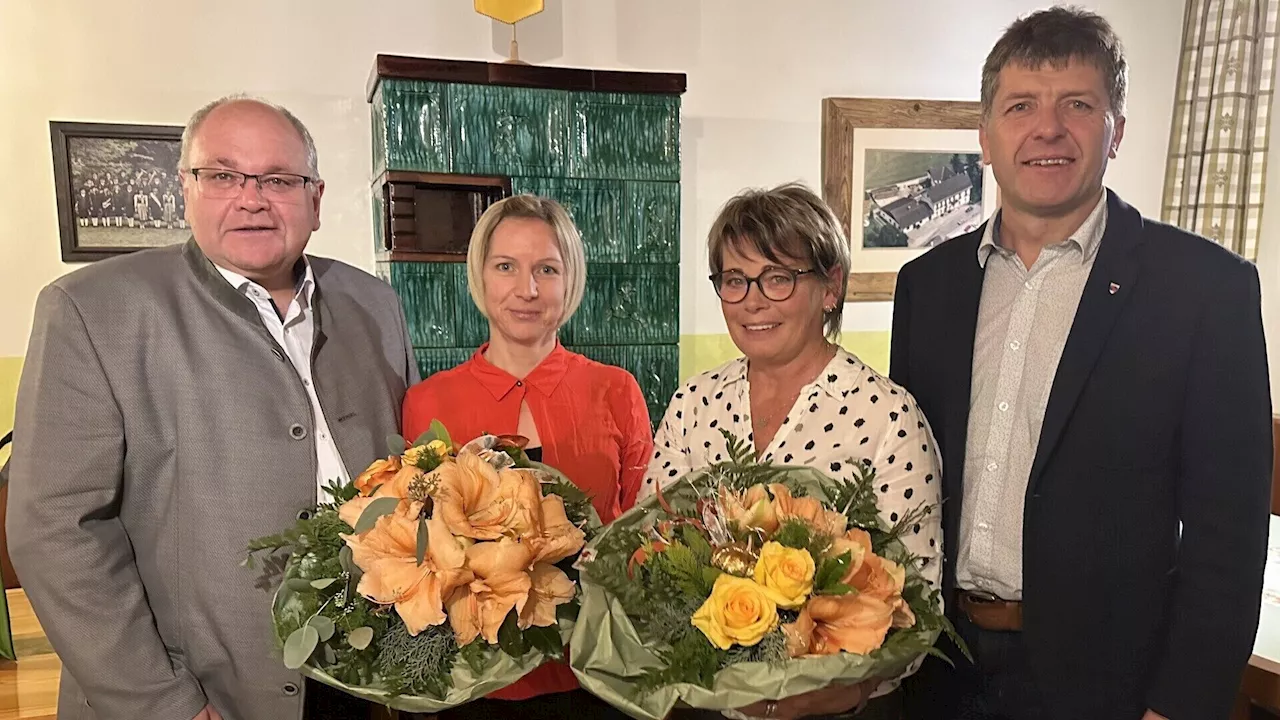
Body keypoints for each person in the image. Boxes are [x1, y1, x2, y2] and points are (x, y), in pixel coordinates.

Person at [891, 8, 1272, 720]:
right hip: (935, 668)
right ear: (985, 133)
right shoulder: (928, 287)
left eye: (1078, 105)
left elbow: (1230, 534)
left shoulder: (1206, 290)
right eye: (1021, 106)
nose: (1048, 128)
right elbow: (908, 483)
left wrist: (1181, 705)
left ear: (1115, 129)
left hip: (1109, 687)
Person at [7, 95, 419, 720]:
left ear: (316, 197)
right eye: (223, 175)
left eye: (279, 179)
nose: (251, 198)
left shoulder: (374, 303)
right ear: (186, 188)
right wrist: (162, 704)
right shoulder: (92, 309)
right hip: (199, 690)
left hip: (362, 676)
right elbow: (56, 532)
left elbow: (410, 477)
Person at [643, 183, 942, 720]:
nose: (752, 300)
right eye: (734, 280)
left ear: (831, 288)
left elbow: (918, 603)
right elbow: (650, 552)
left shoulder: (887, 416)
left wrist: (839, 693)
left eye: (778, 278)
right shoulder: (693, 403)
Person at [402, 194, 652, 720]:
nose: (527, 289)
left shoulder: (616, 390)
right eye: (506, 267)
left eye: (547, 269)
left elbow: (640, 531)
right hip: (469, 683)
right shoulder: (429, 402)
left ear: (571, 280)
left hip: (595, 676)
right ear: (481, 276)